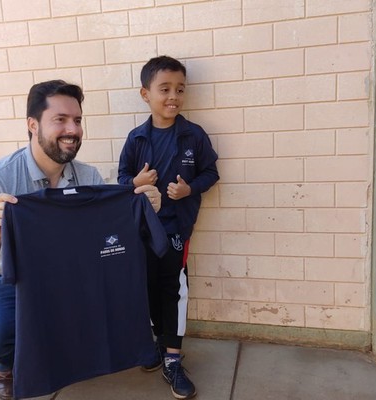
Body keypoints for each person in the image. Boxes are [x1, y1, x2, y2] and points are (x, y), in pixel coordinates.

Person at [0, 80, 162, 400]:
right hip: (4, 282)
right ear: (32, 124)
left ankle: (74, 351)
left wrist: (142, 208)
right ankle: (4, 363)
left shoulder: (89, 177)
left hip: (67, 276)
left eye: (77, 120)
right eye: (61, 120)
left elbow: (106, 243)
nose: (73, 129)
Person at [117, 56, 219, 399]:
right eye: (165, 89)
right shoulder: (136, 138)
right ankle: (155, 348)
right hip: (141, 231)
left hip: (176, 230)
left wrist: (189, 189)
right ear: (146, 94)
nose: (173, 95)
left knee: (173, 290)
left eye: (180, 89)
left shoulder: (193, 135)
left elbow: (211, 173)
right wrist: (135, 181)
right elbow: (120, 181)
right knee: (144, 289)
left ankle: (173, 358)